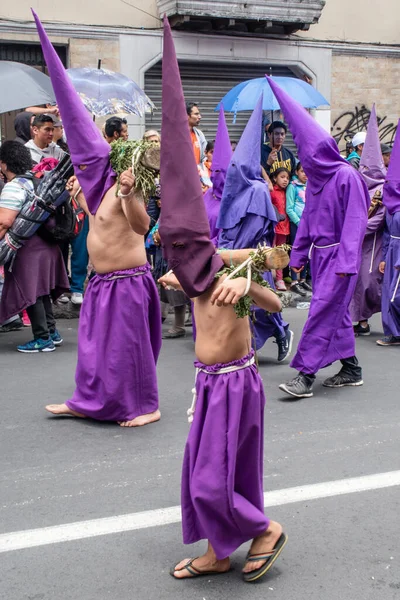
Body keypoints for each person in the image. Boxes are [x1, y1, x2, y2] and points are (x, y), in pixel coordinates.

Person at [160, 18, 287, 582]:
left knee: (216, 476)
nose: (178, 260)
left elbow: (277, 302)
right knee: (203, 472)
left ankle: (263, 529)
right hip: (207, 383)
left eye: (184, 249)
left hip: (236, 381)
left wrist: (249, 280)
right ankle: (217, 551)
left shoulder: (229, 269)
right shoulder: (191, 273)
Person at [33, 10, 162, 426]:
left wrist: (127, 194)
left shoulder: (126, 182)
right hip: (99, 281)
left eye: (86, 168)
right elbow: (93, 225)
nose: (81, 172)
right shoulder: (88, 190)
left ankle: (147, 406)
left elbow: (142, 226)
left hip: (128, 281)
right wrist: (76, 196)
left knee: (129, 349)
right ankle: (84, 401)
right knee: (93, 348)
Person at [264, 77, 369, 399]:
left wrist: (347, 262)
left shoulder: (347, 177)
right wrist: (297, 256)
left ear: (321, 152)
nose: (305, 163)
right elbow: (307, 221)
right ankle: (351, 368)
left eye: (310, 156)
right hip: (321, 257)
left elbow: (355, 223)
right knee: (332, 313)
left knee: (321, 310)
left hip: (340, 259)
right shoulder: (315, 182)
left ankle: (305, 375)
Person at [218, 97, 293, 363]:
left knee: (263, 304)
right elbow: (226, 223)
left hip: (256, 257)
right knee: (239, 305)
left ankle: (282, 331)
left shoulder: (260, 190)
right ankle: (245, 349)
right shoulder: (233, 188)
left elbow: (263, 227)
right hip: (234, 256)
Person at [0, 141, 68, 352]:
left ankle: (42, 339)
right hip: (47, 243)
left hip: (27, 247)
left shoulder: (14, 186)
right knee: (42, 291)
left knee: (30, 291)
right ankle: (51, 332)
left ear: (4, 164)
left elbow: (4, 221)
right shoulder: (37, 181)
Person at [350, 105, 386, 336]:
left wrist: (357, 228)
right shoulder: (358, 185)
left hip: (374, 244)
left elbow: (379, 218)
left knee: (370, 281)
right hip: (356, 243)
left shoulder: (383, 189)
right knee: (355, 283)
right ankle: (359, 321)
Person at [376, 123, 400, 347]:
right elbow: (385, 232)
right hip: (392, 250)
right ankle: (393, 332)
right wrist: (383, 257)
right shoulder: (390, 207)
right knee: (388, 291)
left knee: (398, 293)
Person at [286, 161, 311, 296]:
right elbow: (289, 208)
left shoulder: (310, 186)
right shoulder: (293, 187)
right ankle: (294, 281)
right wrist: (298, 221)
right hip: (297, 225)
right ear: (296, 172)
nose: (305, 174)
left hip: (309, 224)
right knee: (297, 250)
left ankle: (302, 279)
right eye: (302, 171)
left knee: (307, 252)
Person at [270, 167, 290, 291]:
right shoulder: (271, 192)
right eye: (282, 177)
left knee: (281, 253)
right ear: (274, 178)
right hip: (273, 227)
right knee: (269, 251)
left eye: (287, 178)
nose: (285, 180)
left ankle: (279, 279)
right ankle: (267, 277)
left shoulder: (287, 191)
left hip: (284, 227)